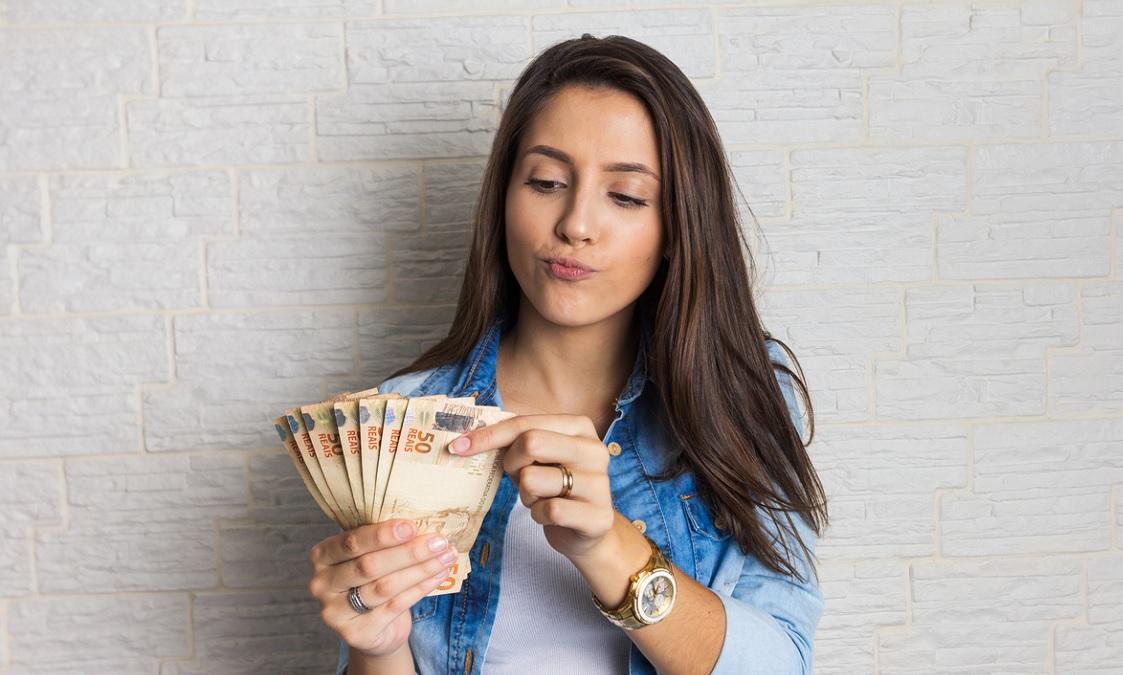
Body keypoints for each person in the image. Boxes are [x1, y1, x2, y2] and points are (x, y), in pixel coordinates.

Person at [306, 33, 829, 675]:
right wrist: (374, 647)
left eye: (627, 196)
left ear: (676, 228)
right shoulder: (401, 420)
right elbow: (375, 642)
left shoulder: (741, 395)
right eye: (547, 181)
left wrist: (609, 548)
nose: (575, 224)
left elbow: (783, 662)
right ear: (504, 199)